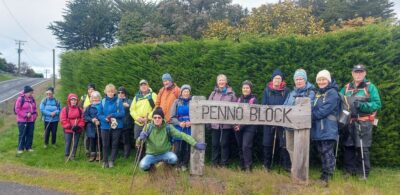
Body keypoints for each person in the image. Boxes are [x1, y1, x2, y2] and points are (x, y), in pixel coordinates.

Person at [340, 64, 381, 179]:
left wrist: (362, 106)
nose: (358, 74)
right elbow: (340, 101)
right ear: (352, 74)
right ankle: (349, 171)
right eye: (356, 72)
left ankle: (363, 173)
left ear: (365, 73)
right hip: (349, 121)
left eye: (360, 72)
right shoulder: (346, 87)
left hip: (364, 122)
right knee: (348, 146)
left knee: (362, 147)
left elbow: (377, 104)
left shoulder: (370, 87)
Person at [137, 107, 206, 171]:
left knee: (174, 159)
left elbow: (181, 135)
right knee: (143, 166)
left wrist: (195, 143)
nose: (157, 119)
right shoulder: (148, 127)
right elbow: (138, 143)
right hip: (151, 154)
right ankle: (152, 170)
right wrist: (141, 138)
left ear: (162, 118)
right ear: (152, 118)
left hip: (165, 153)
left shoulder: (168, 127)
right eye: (155, 117)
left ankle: (167, 168)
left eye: (159, 117)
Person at [312, 70, 340, 184]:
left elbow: (324, 110)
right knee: (321, 151)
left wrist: (310, 116)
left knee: (327, 151)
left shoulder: (332, 92)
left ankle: (328, 176)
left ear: (328, 80)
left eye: (323, 79)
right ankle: (324, 173)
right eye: (319, 79)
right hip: (319, 128)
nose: (321, 81)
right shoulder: (318, 93)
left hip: (328, 128)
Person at [284, 69, 316, 168]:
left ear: (305, 80)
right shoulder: (291, 93)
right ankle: (295, 168)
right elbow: (284, 106)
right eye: (296, 79)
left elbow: (309, 107)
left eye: (300, 79)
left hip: (302, 126)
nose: (298, 81)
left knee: (301, 149)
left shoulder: (311, 92)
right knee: (290, 147)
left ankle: (301, 170)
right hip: (289, 125)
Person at [261, 69, 291, 172]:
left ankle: (285, 166)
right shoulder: (267, 90)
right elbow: (263, 105)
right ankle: (266, 165)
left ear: (281, 80)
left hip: (282, 121)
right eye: (275, 78)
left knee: (283, 144)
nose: (277, 80)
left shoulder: (286, 91)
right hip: (269, 122)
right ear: (272, 79)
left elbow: (288, 104)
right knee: (267, 143)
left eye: (279, 78)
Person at [208, 74, 237, 167]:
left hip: (226, 124)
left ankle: (224, 163)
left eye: (223, 80)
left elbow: (235, 109)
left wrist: (234, 123)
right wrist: (208, 122)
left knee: (224, 144)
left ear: (226, 82)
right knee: (215, 144)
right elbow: (207, 108)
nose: (221, 82)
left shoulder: (232, 94)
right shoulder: (213, 94)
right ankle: (214, 163)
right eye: (219, 80)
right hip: (215, 124)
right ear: (217, 82)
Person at [98, 84, 125, 168]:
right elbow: (99, 114)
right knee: (105, 144)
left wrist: (113, 115)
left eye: (112, 91)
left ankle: (111, 161)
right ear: (105, 92)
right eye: (109, 91)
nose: (110, 93)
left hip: (116, 126)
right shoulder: (102, 101)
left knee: (114, 144)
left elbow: (122, 113)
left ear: (114, 92)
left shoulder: (118, 101)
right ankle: (105, 161)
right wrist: (104, 118)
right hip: (105, 126)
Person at [234, 80, 257, 171]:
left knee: (246, 146)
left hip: (250, 127)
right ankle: (242, 165)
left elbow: (251, 116)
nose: (245, 89)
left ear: (250, 89)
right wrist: (235, 125)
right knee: (240, 146)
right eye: (244, 88)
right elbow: (234, 114)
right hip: (238, 127)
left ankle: (248, 166)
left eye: (247, 88)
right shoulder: (239, 99)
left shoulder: (254, 100)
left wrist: (241, 126)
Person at [170, 84, 192, 171]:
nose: (186, 93)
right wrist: (179, 123)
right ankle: (177, 165)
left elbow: (197, 115)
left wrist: (191, 122)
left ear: (189, 93)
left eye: (187, 91)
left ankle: (185, 164)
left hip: (189, 128)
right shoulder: (176, 102)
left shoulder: (193, 102)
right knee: (178, 148)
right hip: (178, 127)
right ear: (181, 92)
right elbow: (172, 117)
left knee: (187, 147)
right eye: (184, 91)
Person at [60, 93, 85, 161]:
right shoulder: (65, 109)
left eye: (75, 100)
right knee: (68, 142)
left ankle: (73, 155)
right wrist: (70, 126)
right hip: (68, 129)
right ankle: (67, 155)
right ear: (69, 101)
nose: (73, 101)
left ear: (77, 101)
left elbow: (82, 119)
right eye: (72, 100)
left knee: (75, 143)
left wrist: (79, 126)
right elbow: (63, 120)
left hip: (77, 129)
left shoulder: (80, 110)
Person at [15, 85, 37, 154]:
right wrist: (25, 115)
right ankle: (20, 148)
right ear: (26, 92)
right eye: (30, 92)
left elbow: (34, 108)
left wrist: (35, 115)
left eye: (32, 93)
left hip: (31, 120)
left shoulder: (32, 99)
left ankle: (28, 147)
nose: (31, 94)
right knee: (22, 134)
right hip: (22, 121)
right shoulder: (20, 99)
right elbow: (17, 110)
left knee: (30, 134)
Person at [83, 91, 102, 162]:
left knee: (99, 141)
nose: (95, 100)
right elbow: (85, 116)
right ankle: (92, 155)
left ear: (99, 98)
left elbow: (103, 114)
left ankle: (99, 155)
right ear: (91, 99)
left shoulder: (101, 106)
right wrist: (92, 119)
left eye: (96, 98)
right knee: (92, 142)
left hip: (99, 126)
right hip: (90, 127)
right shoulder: (89, 107)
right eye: (94, 98)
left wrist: (98, 120)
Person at [117, 86, 134, 158]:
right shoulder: (115, 101)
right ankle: (115, 155)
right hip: (116, 125)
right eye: (119, 92)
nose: (120, 94)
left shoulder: (129, 101)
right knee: (116, 140)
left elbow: (133, 108)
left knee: (126, 141)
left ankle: (126, 156)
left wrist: (128, 106)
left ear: (125, 94)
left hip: (126, 124)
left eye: (122, 92)